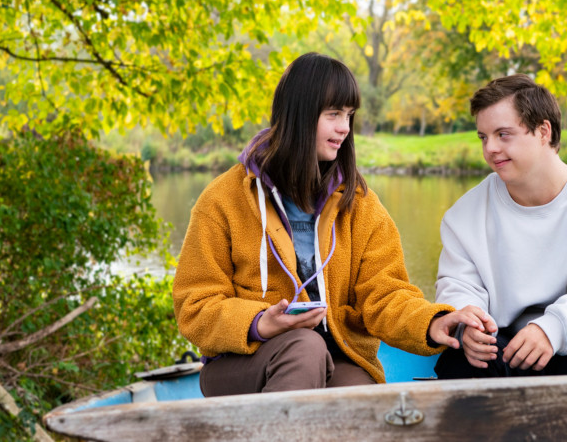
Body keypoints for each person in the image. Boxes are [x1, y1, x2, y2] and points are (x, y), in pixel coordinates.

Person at [173, 52, 492, 396]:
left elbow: (385, 295)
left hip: (336, 357)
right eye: (334, 114)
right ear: (299, 114)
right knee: (304, 348)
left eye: (350, 115)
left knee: (357, 392)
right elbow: (195, 306)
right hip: (241, 363)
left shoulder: (360, 204)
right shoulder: (223, 199)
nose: (345, 128)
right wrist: (262, 322)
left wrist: (433, 322)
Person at [434, 74, 567, 379]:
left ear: (543, 131)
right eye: (483, 137)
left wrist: (552, 328)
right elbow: (459, 285)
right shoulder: (465, 214)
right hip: (506, 341)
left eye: (503, 134)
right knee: (463, 358)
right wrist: (469, 325)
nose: (490, 148)